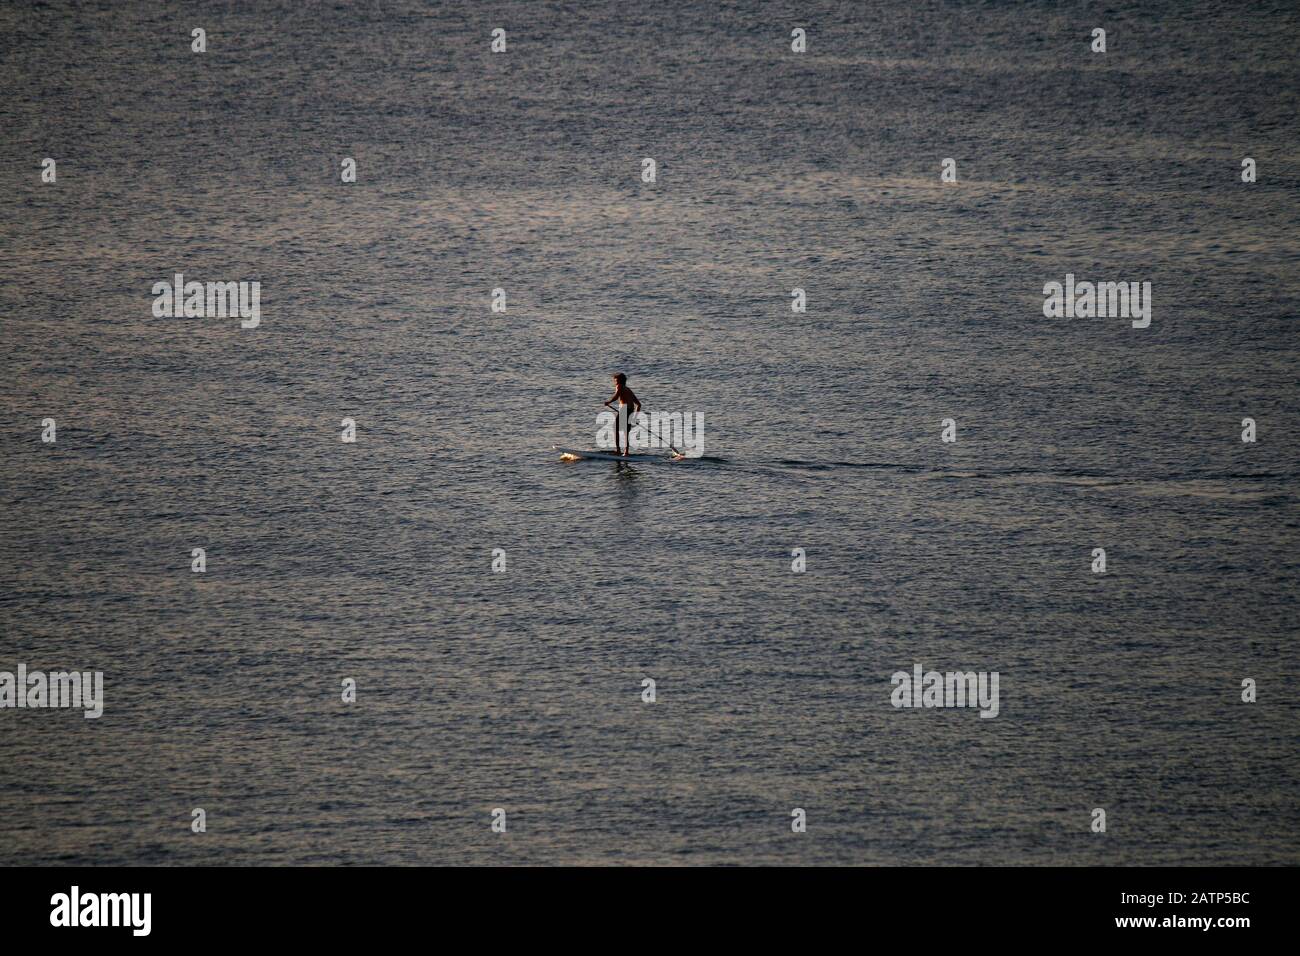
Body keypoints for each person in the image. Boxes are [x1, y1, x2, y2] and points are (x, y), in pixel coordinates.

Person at [603, 372, 641, 456]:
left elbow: (616, 396)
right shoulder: (628, 390)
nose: (615, 382)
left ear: (620, 381)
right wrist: (634, 417)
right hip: (630, 410)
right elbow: (639, 405)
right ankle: (626, 452)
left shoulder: (619, 386)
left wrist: (608, 402)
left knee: (615, 428)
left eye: (615, 380)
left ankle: (618, 450)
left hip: (624, 410)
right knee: (625, 432)